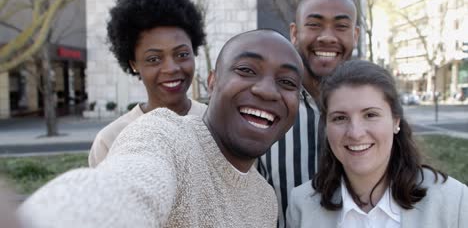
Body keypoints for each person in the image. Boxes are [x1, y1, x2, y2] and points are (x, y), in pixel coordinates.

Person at [18, 29, 304, 228]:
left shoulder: (265, 200)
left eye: (288, 82)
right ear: (213, 81)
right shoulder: (164, 137)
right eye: (246, 70)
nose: (268, 91)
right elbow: (124, 187)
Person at [287, 60, 468, 227]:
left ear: (396, 120)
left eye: (370, 115)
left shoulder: (453, 201)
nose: (355, 133)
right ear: (326, 126)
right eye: (340, 118)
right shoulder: (302, 205)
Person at [258, 0, 360, 226]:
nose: (326, 36)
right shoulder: (265, 109)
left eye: (341, 26)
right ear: (294, 33)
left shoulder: (375, 112)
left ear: (355, 36)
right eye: (314, 25)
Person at [88, 0, 207, 167]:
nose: (171, 68)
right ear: (134, 64)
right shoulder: (110, 141)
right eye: (154, 59)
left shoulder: (219, 126)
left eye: (182, 54)